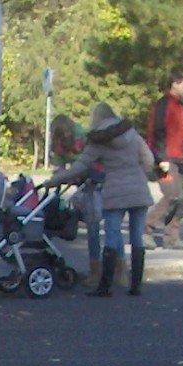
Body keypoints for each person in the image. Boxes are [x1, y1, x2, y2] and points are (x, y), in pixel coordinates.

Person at [46, 102, 155, 296]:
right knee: (136, 237)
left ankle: (104, 287)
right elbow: (149, 160)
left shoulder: (98, 140)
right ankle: (135, 286)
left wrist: (54, 181)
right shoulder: (131, 133)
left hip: (115, 192)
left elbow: (81, 166)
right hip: (139, 189)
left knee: (112, 236)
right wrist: (140, 175)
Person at [46, 112, 103, 278]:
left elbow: (93, 159)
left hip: (95, 179)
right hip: (79, 180)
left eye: (67, 134)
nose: (65, 137)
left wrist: (76, 173)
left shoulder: (83, 136)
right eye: (61, 136)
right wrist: (57, 178)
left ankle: (97, 269)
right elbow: (59, 166)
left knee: (94, 227)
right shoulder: (57, 144)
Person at [144, 73, 183, 250]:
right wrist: (160, 158)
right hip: (165, 158)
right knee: (171, 196)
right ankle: (145, 231)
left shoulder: (180, 107)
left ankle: (172, 237)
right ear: (175, 84)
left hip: (178, 159)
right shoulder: (164, 104)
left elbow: (181, 135)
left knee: (181, 200)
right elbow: (157, 131)